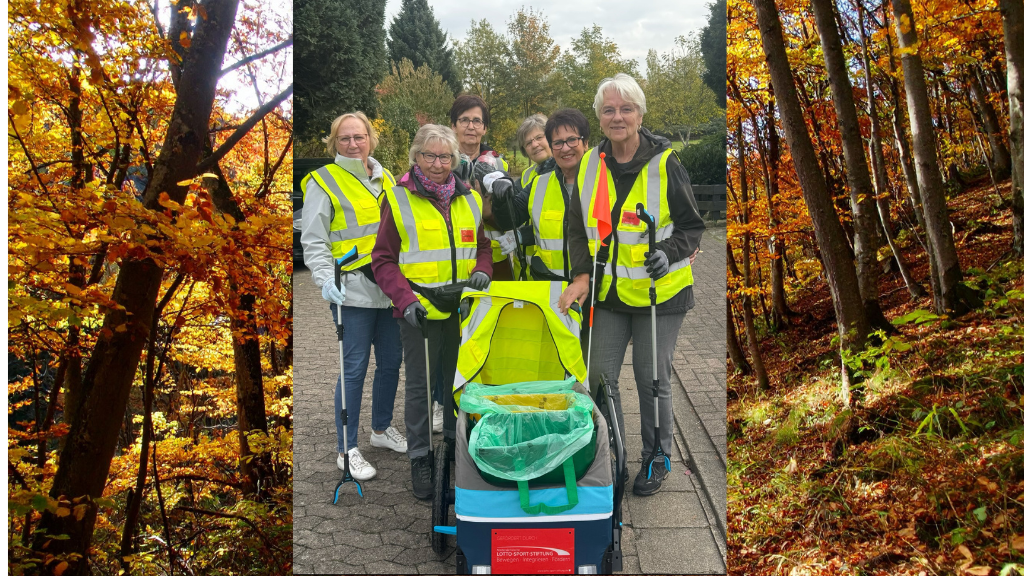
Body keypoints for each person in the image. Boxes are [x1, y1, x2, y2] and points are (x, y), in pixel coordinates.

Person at [558, 74, 705, 496]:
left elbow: (693, 226)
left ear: (640, 114)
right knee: (599, 376)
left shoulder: (666, 163)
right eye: (609, 110)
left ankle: (657, 457)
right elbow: (576, 227)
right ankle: (612, 456)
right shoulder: (590, 163)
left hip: (661, 294)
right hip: (609, 293)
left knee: (651, 378)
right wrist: (581, 274)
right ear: (599, 117)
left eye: (626, 109)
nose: (617, 117)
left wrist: (669, 251)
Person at [372, 124, 493, 499]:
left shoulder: (470, 198)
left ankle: (457, 447)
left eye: (445, 157)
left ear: (455, 159)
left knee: (460, 383)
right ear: (416, 157)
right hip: (419, 311)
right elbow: (383, 260)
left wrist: (483, 270)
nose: (438, 164)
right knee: (421, 389)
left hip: (462, 309)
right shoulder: (398, 199)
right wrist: (404, 300)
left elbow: (483, 247)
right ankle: (421, 456)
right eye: (429, 155)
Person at [300, 112, 408, 482]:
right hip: (352, 291)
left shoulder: (387, 178)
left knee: (391, 362)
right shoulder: (323, 181)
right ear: (334, 142)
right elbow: (314, 240)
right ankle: (346, 450)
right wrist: (323, 279)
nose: (352, 144)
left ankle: (381, 429)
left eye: (358, 136)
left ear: (370, 139)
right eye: (344, 138)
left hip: (389, 289)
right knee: (354, 368)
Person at [448, 94, 516, 280]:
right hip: (455, 258)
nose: (471, 126)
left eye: (477, 121)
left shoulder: (499, 165)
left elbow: (512, 220)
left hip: (496, 259)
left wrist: (487, 214)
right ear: (453, 126)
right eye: (464, 120)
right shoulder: (443, 164)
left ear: (484, 128)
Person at [516, 113, 556, 188]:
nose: (534, 145)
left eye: (539, 137)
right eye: (528, 143)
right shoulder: (526, 175)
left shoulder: (567, 168)